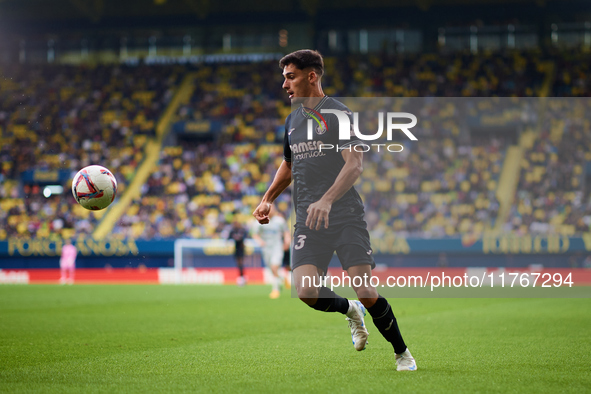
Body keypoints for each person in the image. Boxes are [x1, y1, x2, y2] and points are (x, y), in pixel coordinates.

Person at [253, 49, 416, 371]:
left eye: (291, 76)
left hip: (344, 217)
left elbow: (355, 165)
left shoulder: (338, 114)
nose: (285, 85)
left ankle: (402, 352)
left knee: (367, 289)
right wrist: (268, 197)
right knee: (306, 291)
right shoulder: (292, 120)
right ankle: (350, 310)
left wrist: (326, 199)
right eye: (284, 77)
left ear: (311, 76)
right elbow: (289, 164)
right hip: (307, 219)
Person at [251, 205, 290, 299]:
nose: (270, 211)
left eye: (272, 209)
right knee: (272, 269)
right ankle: (281, 278)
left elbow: (286, 232)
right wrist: (260, 241)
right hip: (266, 248)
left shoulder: (280, 221)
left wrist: (287, 241)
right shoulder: (260, 221)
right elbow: (255, 234)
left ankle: (275, 290)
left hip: (277, 247)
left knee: (274, 266)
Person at [228, 219, 248, 286]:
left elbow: (243, 238)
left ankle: (242, 277)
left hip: (241, 249)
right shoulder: (233, 231)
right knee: (238, 263)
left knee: (240, 263)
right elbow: (228, 238)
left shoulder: (242, 230)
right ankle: (241, 277)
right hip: (236, 249)